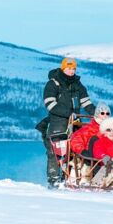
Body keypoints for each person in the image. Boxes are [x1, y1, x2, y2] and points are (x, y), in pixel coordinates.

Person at [36, 57, 96, 188]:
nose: (71, 71)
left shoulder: (78, 85)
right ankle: (54, 180)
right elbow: (50, 104)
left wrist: (97, 114)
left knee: (75, 152)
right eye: (69, 68)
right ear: (63, 68)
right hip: (57, 123)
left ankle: (72, 178)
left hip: (75, 123)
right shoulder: (53, 83)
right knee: (55, 152)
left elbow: (86, 103)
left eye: (73, 68)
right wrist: (69, 113)